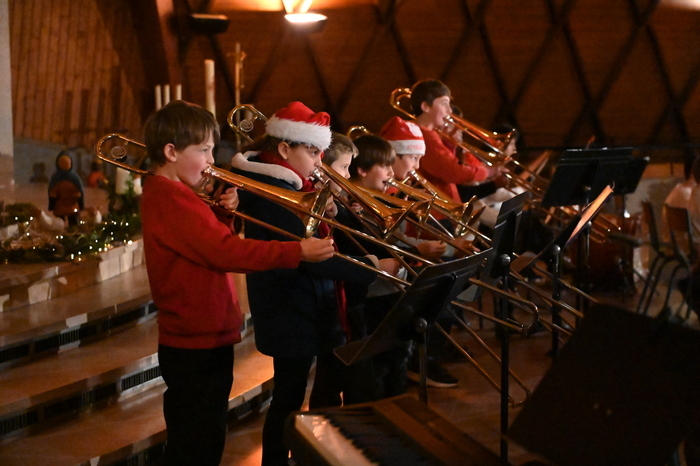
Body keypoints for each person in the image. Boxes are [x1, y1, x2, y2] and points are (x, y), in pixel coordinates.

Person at [140, 100, 335, 466]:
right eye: (204, 150)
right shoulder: (170, 197)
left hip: (206, 334)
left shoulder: (179, 195)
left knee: (205, 438)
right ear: (170, 152)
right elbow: (225, 253)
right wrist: (296, 252)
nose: (212, 161)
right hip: (195, 342)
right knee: (196, 445)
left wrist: (220, 212)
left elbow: (205, 246)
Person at [229, 102, 380, 466]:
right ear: (284, 149)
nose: (318, 160)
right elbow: (310, 258)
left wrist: (337, 212)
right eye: (312, 151)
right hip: (289, 308)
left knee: (305, 393)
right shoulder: (271, 189)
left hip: (310, 306)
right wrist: (374, 266)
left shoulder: (296, 182)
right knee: (288, 398)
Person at [409, 79, 498, 203]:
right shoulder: (426, 136)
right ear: (425, 107)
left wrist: (450, 145)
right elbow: (453, 172)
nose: (449, 111)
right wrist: (489, 171)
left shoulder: (430, 133)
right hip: (436, 209)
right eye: (444, 104)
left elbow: (443, 168)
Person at [48, 150, 85, 227]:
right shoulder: (55, 178)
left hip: (72, 204)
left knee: (73, 219)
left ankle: (74, 229)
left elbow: (80, 189)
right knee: (59, 221)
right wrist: (53, 195)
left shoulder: (75, 178)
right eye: (62, 162)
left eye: (67, 162)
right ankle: (59, 228)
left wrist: (78, 194)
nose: (65, 164)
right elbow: (52, 189)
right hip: (60, 204)